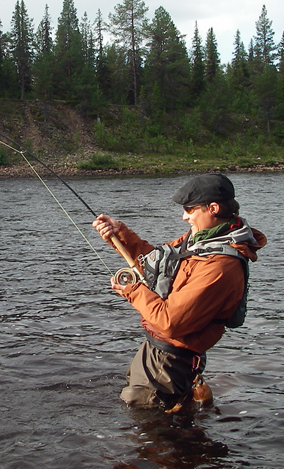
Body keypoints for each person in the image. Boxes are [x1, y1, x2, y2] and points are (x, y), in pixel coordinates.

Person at [92, 173, 267, 410]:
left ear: (212, 208)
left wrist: (132, 291)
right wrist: (119, 234)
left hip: (170, 362)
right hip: (156, 352)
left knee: (149, 433)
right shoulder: (199, 239)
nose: (184, 217)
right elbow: (157, 263)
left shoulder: (221, 267)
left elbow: (170, 322)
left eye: (190, 209)